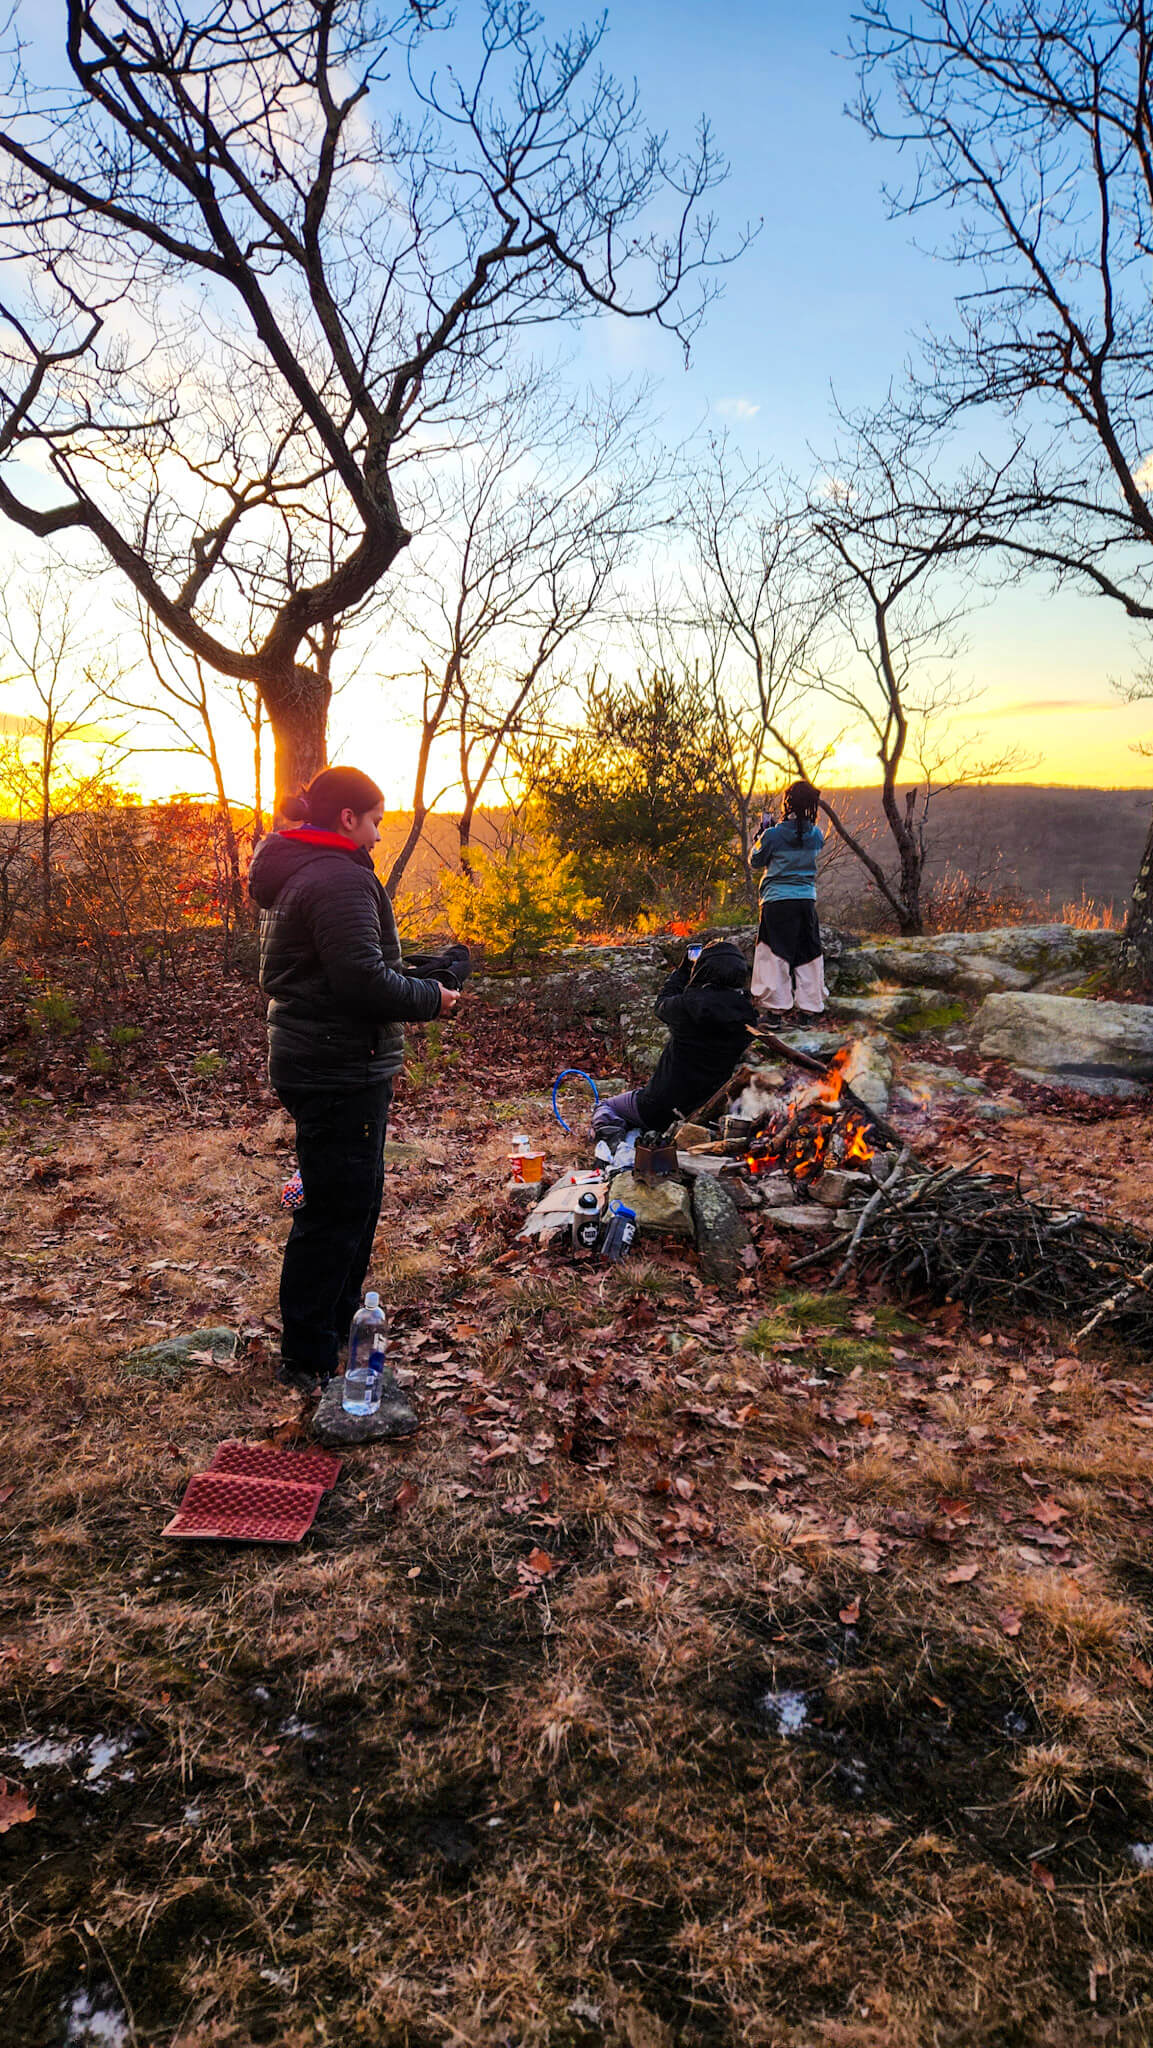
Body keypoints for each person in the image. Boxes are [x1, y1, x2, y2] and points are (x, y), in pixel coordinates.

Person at [248, 765, 469, 1394]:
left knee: (354, 1199)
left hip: (328, 1059)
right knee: (336, 1210)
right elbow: (361, 983)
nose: (377, 834)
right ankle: (309, 1355)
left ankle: (335, 1328)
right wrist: (432, 999)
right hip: (335, 1066)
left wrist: (419, 973)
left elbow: (341, 966)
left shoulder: (307, 870)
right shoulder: (337, 877)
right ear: (347, 818)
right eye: (374, 821)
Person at [591, 938, 756, 1148]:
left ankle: (615, 1143)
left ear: (704, 967)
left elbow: (661, 1004)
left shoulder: (688, 1004)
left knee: (607, 1106)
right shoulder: (748, 1015)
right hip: (708, 1110)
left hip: (659, 1106)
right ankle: (645, 1138)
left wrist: (683, 971)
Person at [748, 781, 827, 1027]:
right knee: (808, 953)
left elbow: (756, 861)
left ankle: (775, 1013)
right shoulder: (816, 834)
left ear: (787, 803)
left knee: (774, 953)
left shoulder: (773, 835)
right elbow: (809, 845)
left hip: (777, 901)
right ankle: (808, 1012)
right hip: (806, 900)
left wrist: (760, 837)